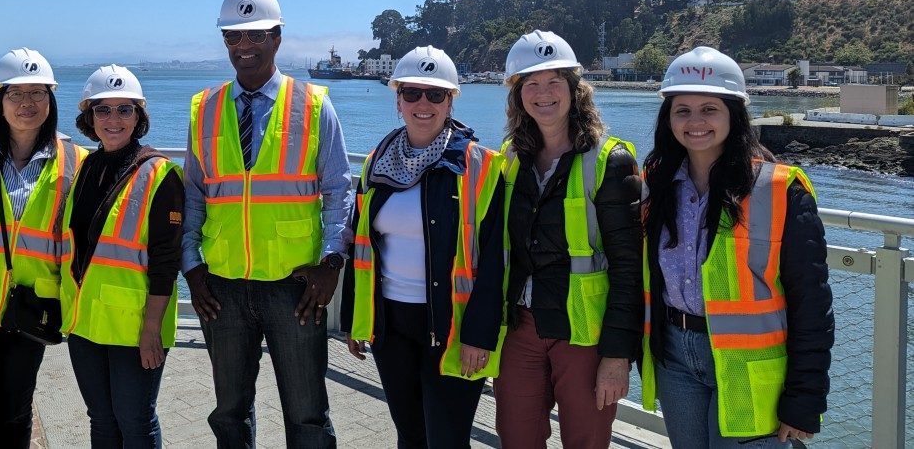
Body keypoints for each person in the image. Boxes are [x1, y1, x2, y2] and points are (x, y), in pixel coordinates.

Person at [182, 0, 354, 449]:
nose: (244, 47)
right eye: (233, 36)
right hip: (223, 284)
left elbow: (340, 190)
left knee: (307, 415)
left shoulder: (314, 104)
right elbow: (194, 195)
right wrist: (192, 268)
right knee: (229, 415)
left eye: (256, 35)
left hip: (294, 287)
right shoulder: (205, 108)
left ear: (277, 37)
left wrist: (332, 264)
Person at [640, 46, 832, 448]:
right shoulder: (656, 184)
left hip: (750, 366)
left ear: (734, 113)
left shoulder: (780, 189)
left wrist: (805, 397)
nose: (695, 122)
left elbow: (811, 302)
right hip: (675, 356)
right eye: (682, 109)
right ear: (668, 117)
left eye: (709, 109)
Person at [339, 46, 506, 448]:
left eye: (436, 94)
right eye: (412, 93)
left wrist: (479, 336)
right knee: (410, 435)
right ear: (397, 100)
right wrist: (353, 319)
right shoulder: (377, 161)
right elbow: (361, 243)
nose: (423, 103)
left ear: (451, 100)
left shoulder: (480, 164)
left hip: (451, 328)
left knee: (446, 440)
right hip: (390, 326)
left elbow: (498, 259)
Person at [493, 30, 642, 449]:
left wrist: (617, 356)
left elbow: (629, 269)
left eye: (554, 81)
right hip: (521, 329)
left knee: (586, 443)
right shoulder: (510, 160)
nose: (543, 94)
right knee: (517, 438)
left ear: (575, 90)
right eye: (531, 84)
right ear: (518, 96)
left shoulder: (610, 161)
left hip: (585, 339)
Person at [0, 48, 88, 449]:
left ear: (51, 99)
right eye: (16, 94)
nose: (27, 104)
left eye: (38, 94)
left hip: (34, 307)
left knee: (16, 410)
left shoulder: (74, 160)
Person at [60, 65, 185, 448]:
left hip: (134, 328)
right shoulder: (85, 167)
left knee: (136, 421)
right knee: (101, 420)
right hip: (86, 324)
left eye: (124, 109)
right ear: (89, 117)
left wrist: (152, 330)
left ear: (139, 116)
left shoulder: (160, 174)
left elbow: (166, 263)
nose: (113, 119)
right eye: (103, 110)